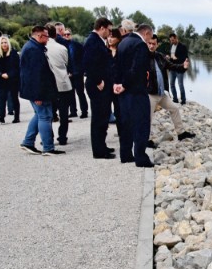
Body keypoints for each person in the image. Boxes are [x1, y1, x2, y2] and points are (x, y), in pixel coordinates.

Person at [113, 23, 153, 167]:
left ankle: (125, 154)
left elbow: (116, 66)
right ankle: (140, 158)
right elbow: (137, 69)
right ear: (147, 33)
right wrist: (124, 85)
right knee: (141, 124)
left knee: (126, 124)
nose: (150, 40)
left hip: (123, 93)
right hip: (136, 92)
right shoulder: (140, 45)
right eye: (150, 37)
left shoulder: (123, 42)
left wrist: (116, 84)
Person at [19, 25, 63, 156]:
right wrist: (38, 95)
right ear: (39, 36)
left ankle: (28, 142)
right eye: (46, 36)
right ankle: (48, 148)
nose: (48, 39)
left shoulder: (32, 47)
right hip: (38, 91)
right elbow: (35, 75)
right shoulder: (34, 50)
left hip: (35, 90)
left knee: (39, 115)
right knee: (45, 116)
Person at [145, 34, 194, 143]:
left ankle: (181, 133)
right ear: (146, 43)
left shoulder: (160, 56)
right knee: (148, 117)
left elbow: (172, 66)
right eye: (149, 43)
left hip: (161, 93)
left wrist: (183, 66)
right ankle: (145, 139)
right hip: (150, 93)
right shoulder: (142, 56)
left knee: (174, 109)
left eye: (154, 44)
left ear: (157, 45)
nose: (151, 46)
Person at [82, 17, 116, 159]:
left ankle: (102, 145)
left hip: (101, 84)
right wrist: (98, 81)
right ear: (102, 27)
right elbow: (88, 63)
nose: (110, 33)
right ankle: (98, 151)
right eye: (109, 30)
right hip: (97, 85)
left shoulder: (98, 41)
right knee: (98, 119)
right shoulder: (92, 41)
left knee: (103, 117)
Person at [45, 24, 73, 145]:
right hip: (63, 82)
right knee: (64, 113)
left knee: (48, 113)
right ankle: (62, 137)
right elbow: (67, 63)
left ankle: (49, 137)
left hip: (49, 84)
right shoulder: (62, 48)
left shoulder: (42, 48)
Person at [0, 36, 20, 123]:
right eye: (2, 43)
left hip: (12, 79)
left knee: (14, 98)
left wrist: (9, 74)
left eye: (5, 42)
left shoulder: (13, 54)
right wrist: (1, 74)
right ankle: (2, 116)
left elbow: (16, 67)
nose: (4, 44)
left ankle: (16, 117)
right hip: (1, 79)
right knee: (2, 98)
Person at [64, 28, 87, 119]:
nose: (66, 36)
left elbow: (83, 57)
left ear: (71, 35)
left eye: (68, 34)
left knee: (80, 92)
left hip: (77, 72)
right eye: (65, 34)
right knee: (70, 93)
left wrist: (82, 69)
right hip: (68, 73)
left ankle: (84, 111)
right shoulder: (62, 46)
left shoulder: (77, 45)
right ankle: (73, 111)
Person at [167, 33, 189, 104]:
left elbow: (185, 58)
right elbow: (171, 58)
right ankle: (175, 99)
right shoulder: (171, 46)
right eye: (171, 40)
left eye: (173, 40)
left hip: (179, 69)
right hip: (172, 68)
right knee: (172, 84)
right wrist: (169, 58)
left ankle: (183, 100)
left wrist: (176, 58)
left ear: (176, 38)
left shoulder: (183, 46)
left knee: (180, 84)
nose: (172, 42)